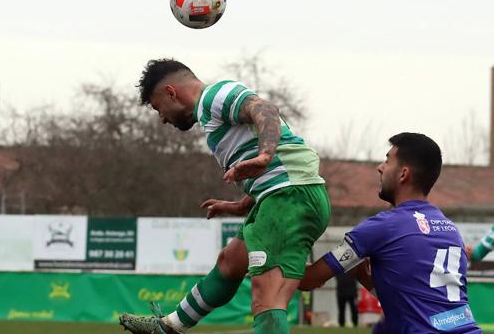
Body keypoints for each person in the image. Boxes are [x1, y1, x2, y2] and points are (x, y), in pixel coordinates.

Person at [119, 59, 330, 334]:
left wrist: (265, 156)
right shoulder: (211, 115)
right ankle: (169, 326)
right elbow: (278, 168)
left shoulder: (214, 96)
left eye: (159, 107)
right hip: (280, 197)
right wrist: (241, 204)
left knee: (266, 297)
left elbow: (263, 108)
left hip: (290, 198)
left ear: (171, 92)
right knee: (230, 262)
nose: (161, 118)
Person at [299, 133, 482, 333]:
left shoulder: (382, 227)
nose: (380, 167)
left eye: (387, 161)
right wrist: (363, 276)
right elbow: (415, 298)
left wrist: (265, 254)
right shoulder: (450, 230)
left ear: (403, 174)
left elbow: (309, 279)